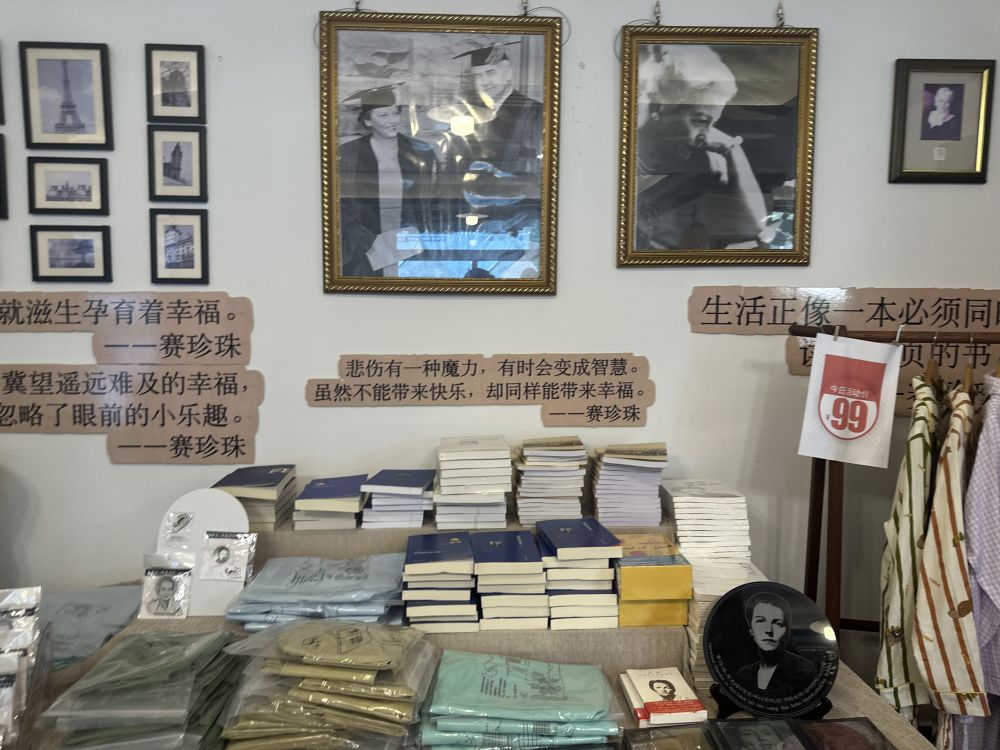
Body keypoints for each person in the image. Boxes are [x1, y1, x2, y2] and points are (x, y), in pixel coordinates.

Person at [634, 44, 767, 251]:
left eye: (713, 124)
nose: (707, 138)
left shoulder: (703, 160)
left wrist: (731, 148)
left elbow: (755, 228)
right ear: (660, 106)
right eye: (701, 121)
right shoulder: (615, 155)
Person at [338, 85, 440, 277]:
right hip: (367, 245)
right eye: (383, 115)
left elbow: (435, 202)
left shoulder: (421, 152)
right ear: (368, 121)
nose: (392, 120)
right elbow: (342, 205)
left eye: (395, 113)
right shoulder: (349, 154)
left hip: (411, 243)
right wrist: (366, 241)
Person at [733, 592, 819, 700]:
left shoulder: (804, 669)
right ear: (751, 630)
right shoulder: (743, 674)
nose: (769, 630)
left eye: (778, 623)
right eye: (760, 621)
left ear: (786, 632)